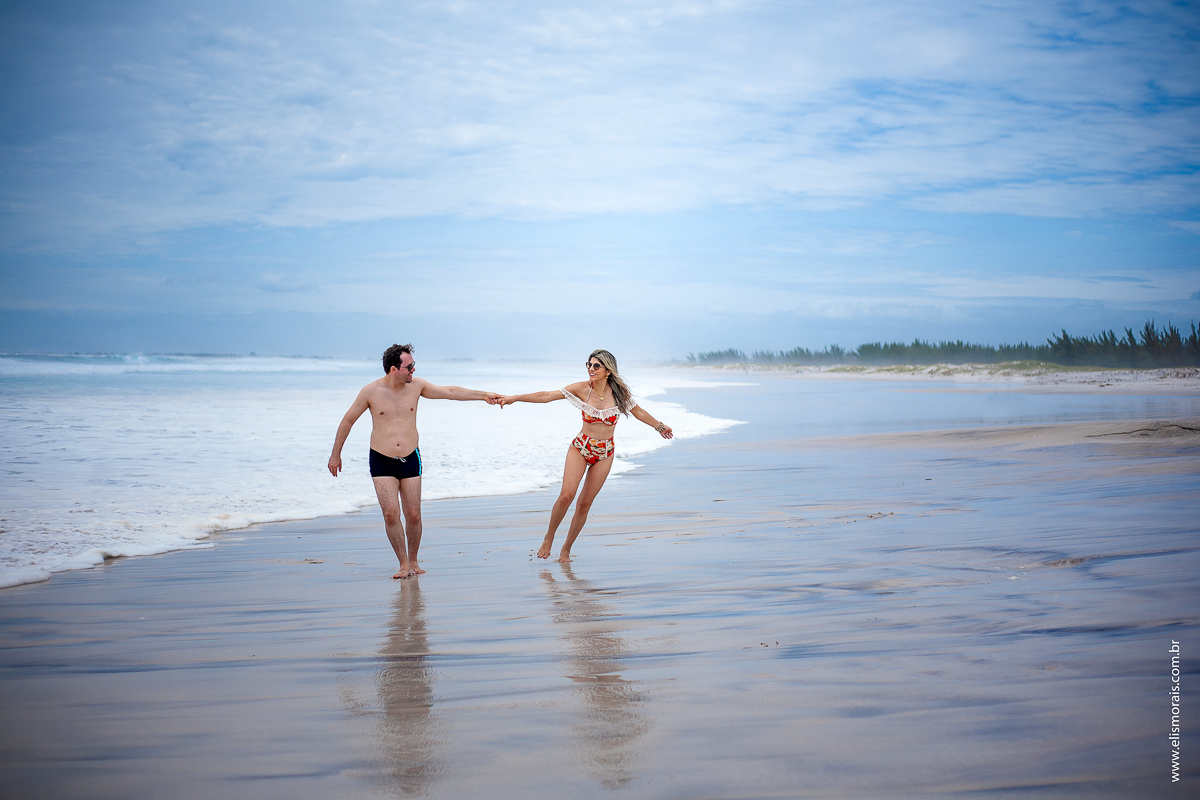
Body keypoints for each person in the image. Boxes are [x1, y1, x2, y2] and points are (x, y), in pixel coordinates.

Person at [329, 344, 501, 579]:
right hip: (381, 459)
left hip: (411, 457)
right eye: (409, 367)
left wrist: (483, 395)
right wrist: (336, 454)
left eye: (413, 365)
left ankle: (413, 560)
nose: (413, 370)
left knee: (414, 516)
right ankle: (402, 564)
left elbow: (450, 392)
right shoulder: (371, 392)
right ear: (393, 369)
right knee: (391, 514)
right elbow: (348, 420)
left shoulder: (417, 386)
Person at [498, 349, 673, 563]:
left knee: (584, 504)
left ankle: (566, 549)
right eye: (589, 364)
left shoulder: (619, 393)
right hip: (581, 448)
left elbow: (639, 412)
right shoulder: (581, 389)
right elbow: (546, 396)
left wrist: (660, 426)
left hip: (605, 452)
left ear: (608, 370)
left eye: (596, 365)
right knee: (566, 496)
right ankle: (549, 537)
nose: (591, 369)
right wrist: (514, 398)